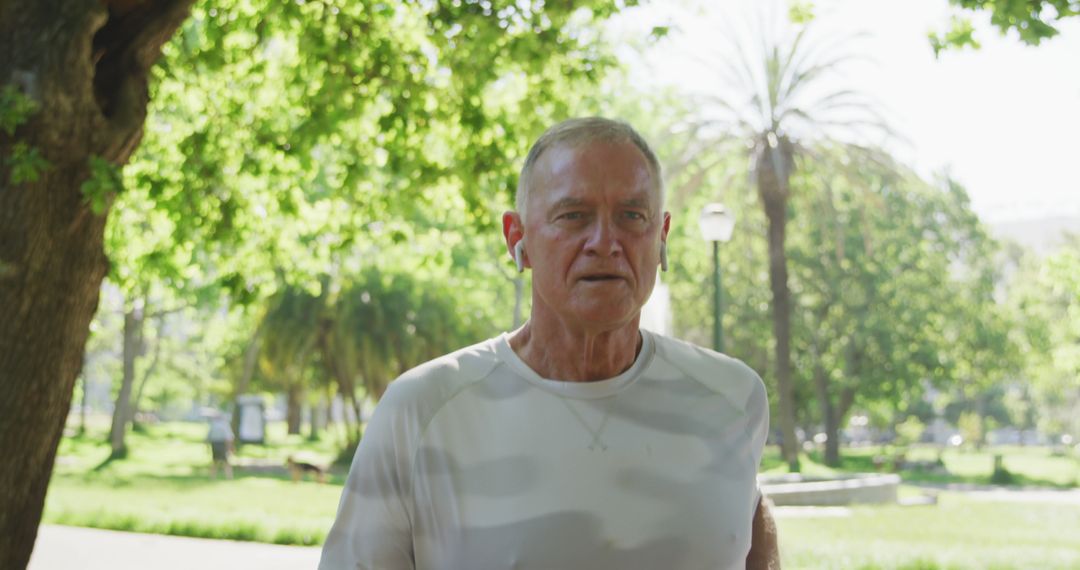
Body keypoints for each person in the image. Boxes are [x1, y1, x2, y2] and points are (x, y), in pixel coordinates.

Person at [320, 117, 778, 569]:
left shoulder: (733, 398)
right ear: (516, 237)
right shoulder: (422, 410)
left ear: (661, 236)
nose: (604, 242)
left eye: (632, 216)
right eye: (573, 216)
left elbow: (750, 531)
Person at [207, 414, 234, 480]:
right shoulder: (225, 425)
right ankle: (229, 477)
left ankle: (212, 477)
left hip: (214, 444)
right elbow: (229, 437)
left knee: (215, 461)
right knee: (226, 462)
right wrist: (230, 447)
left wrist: (207, 447)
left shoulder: (213, 425)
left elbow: (208, 437)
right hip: (222, 444)